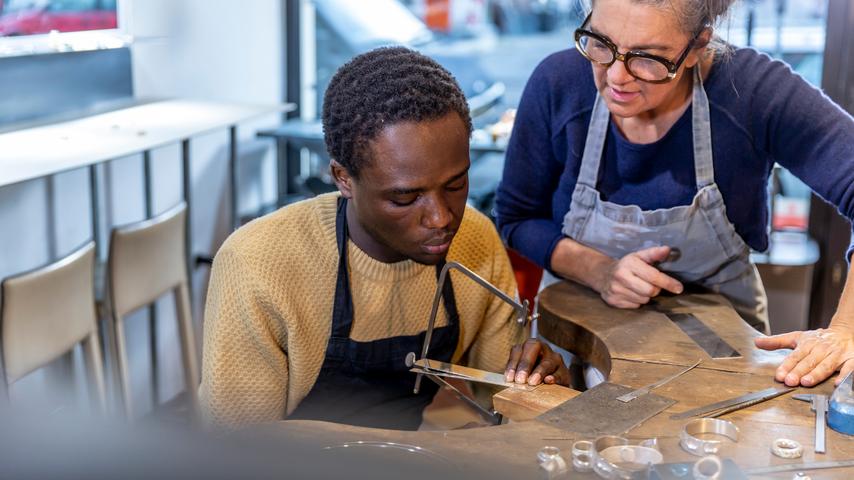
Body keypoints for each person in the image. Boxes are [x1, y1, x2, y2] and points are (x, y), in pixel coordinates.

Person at [200, 47, 569, 430]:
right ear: (343, 178)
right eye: (404, 198)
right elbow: (238, 447)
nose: (441, 218)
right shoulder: (259, 262)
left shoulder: (474, 239)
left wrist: (541, 387)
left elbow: (503, 408)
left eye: (456, 184)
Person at [496, 0, 854, 387]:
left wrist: (846, 330)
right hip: (573, 337)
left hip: (717, 355)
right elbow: (517, 216)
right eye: (601, 42)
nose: (616, 76)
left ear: (698, 45)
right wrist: (598, 270)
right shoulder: (559, 83)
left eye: (647, 57)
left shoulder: (752, 92)